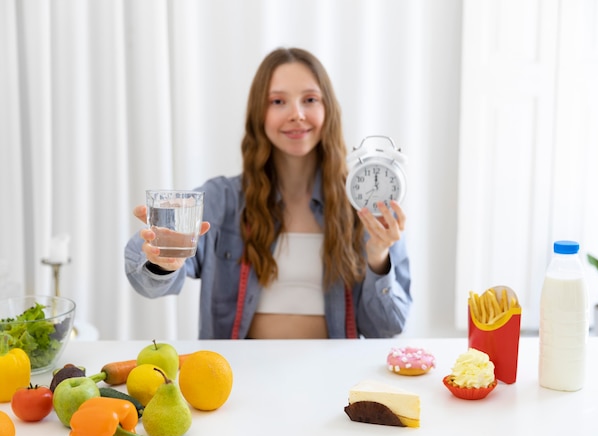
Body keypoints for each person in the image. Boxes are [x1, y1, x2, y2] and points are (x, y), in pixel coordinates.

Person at [125, 47, 412, 339]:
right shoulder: (222, 199)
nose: (297, 114)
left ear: (329, 110)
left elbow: (387, 328)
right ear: (259, 114)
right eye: (278, 101)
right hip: (238, 379)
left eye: (310, 100)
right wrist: (162, 260)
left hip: (332, 378)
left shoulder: (362, 205)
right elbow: (145, 279)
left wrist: (378, 256)